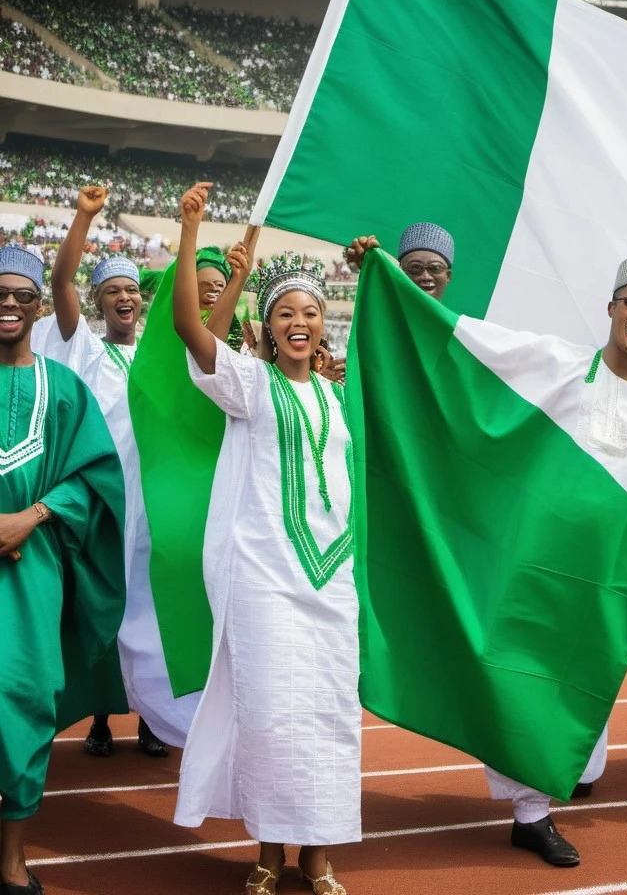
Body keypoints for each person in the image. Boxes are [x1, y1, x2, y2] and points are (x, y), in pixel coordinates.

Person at [347, 231, 627, 866]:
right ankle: (531, 814)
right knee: (518, 678)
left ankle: (550, 783)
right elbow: (466, 348)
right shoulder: (555, 361)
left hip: (599, 578)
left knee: (573, 682)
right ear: (612, 307)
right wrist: (384, 279)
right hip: (532, 562)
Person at [173, 185, 359, 895]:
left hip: (331, 580)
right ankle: (270, 853)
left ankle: (319, 854)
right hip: (264, 580)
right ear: (269, 326)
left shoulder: (339, 395)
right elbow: (193, 331)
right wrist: (194, 233)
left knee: (327, 717)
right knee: (273, 715)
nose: (299, 323)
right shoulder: (248, 385)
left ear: (323, 324)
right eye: (285, 314)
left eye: (311, 312)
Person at [32, 185, 186, 759]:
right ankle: (101, 715)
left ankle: (153, 718)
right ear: (99, 303)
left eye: (131, 291)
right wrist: (84, 217)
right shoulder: (87, 350)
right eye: (112, 292)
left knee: (150, 605)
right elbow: (60, 285)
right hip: (102, 503)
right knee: (103, 603)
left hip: (153, 505)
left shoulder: (157, 355)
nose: (124, 299)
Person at [0, 245, 127, 895]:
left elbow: (97, 475)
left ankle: (11, 858)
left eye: (23, 295)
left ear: (39, 305)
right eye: (2, 293)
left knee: (24, 696)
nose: (12, 305)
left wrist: (32, 516)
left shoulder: (64, 386)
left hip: (31, 572)